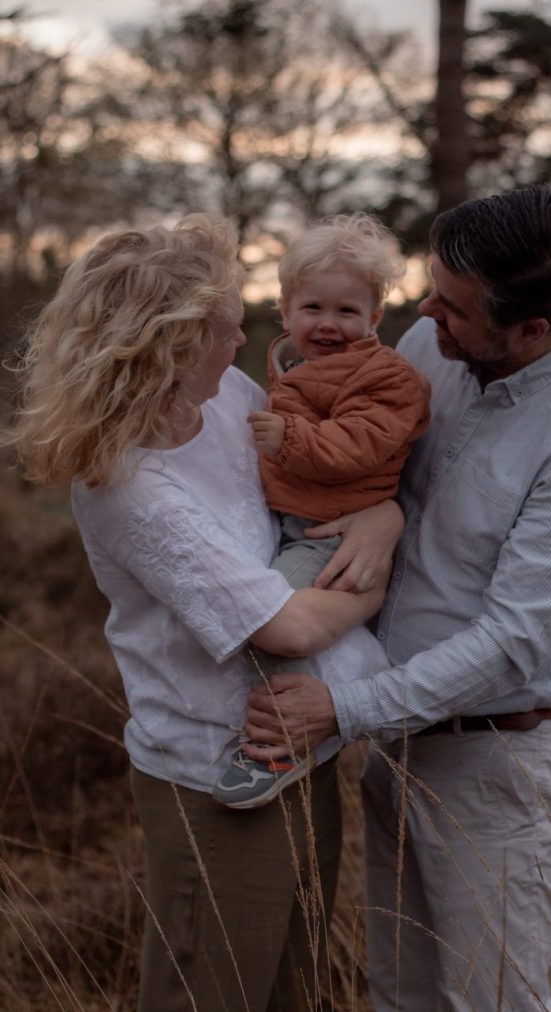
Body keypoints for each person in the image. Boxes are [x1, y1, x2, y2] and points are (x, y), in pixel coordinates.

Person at [243, 186, 551, 1012]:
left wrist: (341, 709)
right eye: (433, 289)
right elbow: (382, 467)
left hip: (500, 765)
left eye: (454, 307)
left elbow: (511, 640)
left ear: (535, 325)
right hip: (401, 743)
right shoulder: (433, 350)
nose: (424, 315)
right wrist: (383, 510)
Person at [9, 215, 399, 1012]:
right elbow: (290, 622)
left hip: (299, 745)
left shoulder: (227, 399)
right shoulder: (126, 482)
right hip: (214, 785)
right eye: (224, 322)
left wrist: (379, 519)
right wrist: (378, 565)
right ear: (171, 340)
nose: (243, 336)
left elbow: (333, 498)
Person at [213, 213, 430, 810]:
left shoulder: (390, 379)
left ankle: (280, 743)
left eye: (347, 312)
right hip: (296, 522)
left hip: (336, 531)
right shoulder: (293, 367)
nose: (328, 325)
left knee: (273, 617)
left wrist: (290, 440)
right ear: (285, 311)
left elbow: (359, 444)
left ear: (374, 319)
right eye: (313, 308)